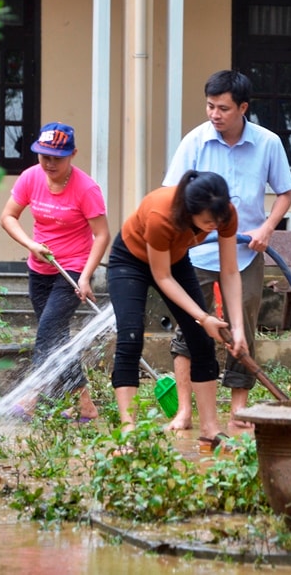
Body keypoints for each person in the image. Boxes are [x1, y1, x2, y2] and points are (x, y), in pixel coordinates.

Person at [162, 70, 291, 433]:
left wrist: (267, 227)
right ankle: (185, 412)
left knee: (243, 326)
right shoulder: (194, 142)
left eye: (223, 108)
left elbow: (285, 192)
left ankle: (238, 411)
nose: (214, 114)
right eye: (210, 106)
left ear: (243, 108)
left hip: (245, 250)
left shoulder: (267, 143)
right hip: (198, 251)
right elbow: (171, 193)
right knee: (189, 325)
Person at [107, 170, 248, 449]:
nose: (214, 226)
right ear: (189, 211)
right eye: (208, 222)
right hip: (130, 261)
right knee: (131, 337)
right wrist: (203, 316)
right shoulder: (162, 214)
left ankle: (210, 430)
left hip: (175, 258)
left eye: (218, 221)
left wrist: (238, 328)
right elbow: (162, 277)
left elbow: (230, 271)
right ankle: (128, 434)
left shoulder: (225, 212)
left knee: (201, 340)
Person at [0, 122, 110, 422]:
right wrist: (31, 244)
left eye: (57, 158)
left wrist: (86, 276)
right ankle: (86, 406)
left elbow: (102, 235)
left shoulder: (86, 189)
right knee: (57, 336)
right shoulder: (30, 178)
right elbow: (8, 216)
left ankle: (31, 396)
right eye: (43, 156)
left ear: (72, 154)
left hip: (71, 270)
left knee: (48, 330)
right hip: (39, 269)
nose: (49, 163)